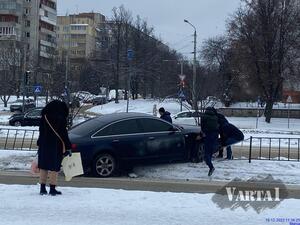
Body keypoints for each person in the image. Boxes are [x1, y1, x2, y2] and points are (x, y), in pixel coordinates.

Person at [37, 100, 72, 196]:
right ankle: (52, 188)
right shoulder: (61, 118)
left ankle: (42, 188)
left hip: (44, 144)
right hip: (56, 145)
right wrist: (68, 146)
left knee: (43, 166)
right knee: (54, 167)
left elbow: (41, 131)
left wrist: (39, 142)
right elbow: (63, 134)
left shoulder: (44, 117)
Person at [201, 107, 219, 176]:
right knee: (210, 151)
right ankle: (209, 162)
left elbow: (202, 127)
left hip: (208, 135)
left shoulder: (204, 117)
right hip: (215, 136)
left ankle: (211, 167)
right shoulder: (215, 117)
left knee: (206, 153)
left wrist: (203, 133)